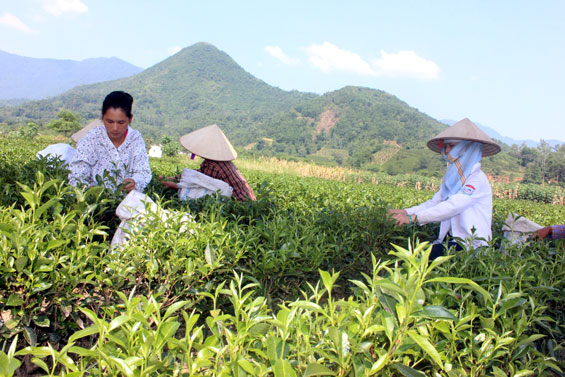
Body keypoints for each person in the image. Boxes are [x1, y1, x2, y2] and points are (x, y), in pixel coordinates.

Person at [388, 118, 501, 260]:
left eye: (451, 146)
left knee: (417, 260)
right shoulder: (454, 179)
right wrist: (404, 212)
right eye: (445, 146)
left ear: (467, 148)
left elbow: (452, 207)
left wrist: (412, 218)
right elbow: (435, 202)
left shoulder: (477, 179)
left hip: (471, 246)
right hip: (452, 242)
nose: (446, 151)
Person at [68, 91, 152, 192]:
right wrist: (89, 190)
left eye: (121, 122)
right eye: (110, 121)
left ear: (130, 119)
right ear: (102, 117)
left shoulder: (135, 140)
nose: (115, 128)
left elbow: (143, 171)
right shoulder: (92, 138)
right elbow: (77, 175)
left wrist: (135, 182)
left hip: (125, 203)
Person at [160, 124, 256, 201]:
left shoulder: (212, 165)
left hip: (240, 201)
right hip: (249, 198)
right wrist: (173, 178)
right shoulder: (218, 162)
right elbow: (198, 173)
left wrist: (173, 185)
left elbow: (200, 187)